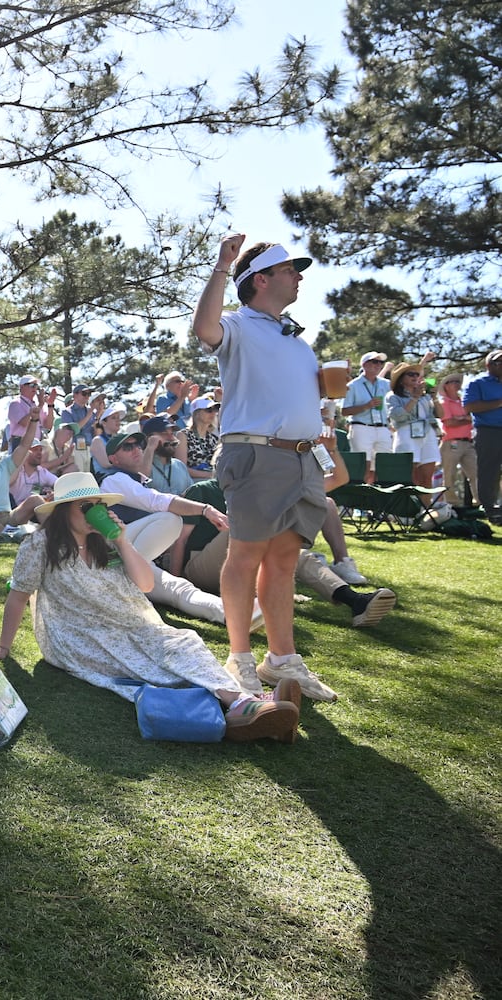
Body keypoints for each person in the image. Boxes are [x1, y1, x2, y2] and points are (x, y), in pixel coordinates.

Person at [0, 480, 301, 742]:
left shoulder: (105, 540)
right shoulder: (39, 546)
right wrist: (5, 648)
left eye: (97, 504)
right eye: (86, 506)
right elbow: (19, 596)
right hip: (78, 635)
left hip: (129, 622)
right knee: (150, 659)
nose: (94, 512)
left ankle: (247, 708)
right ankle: (243, 705)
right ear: (62, 510)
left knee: (183, 642)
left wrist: (123, 542)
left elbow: (145, 583)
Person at [192, 236, 337, 703]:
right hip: (256, 454)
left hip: (301, 457)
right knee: (246, 556)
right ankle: (239, 656)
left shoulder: (292, 335)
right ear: (261, 279)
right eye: (290, 270)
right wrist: (221, 264)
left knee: (283, 562)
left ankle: (281, 658)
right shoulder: (238, 324)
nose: (299, 277)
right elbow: (204, 328)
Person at [172, 474, 398, 631]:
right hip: (198, 566)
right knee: (243, 524)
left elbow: (336, 479)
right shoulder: (202, 490)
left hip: (238, 565)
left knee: (292, 553)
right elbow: (179, 539)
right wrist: (178, 584)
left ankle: (355, 601)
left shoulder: (254, 493)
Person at [385, 359, 441, 499]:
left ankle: (426, 510)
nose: (416, 377)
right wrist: (414, 397)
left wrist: (434, 397)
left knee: (427, 476)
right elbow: (398, 416)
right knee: (410, 476)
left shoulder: (425, 396)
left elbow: (441, 414)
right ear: (401, 380)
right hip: (406, 434)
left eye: (417, 375)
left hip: (427, 434)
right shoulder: (393, 396)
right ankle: (408, 509)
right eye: (411, 374)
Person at [463, 349, 502, 521]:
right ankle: (490, 509)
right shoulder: (477, 383)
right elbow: (470, 407)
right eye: (499, 362)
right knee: (489, 471)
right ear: (489, 365)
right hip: (488, 431)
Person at [342, 351, 392, 484]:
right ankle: (361, 501)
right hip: (361, 427)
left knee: (383, 465)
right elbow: (344, 411)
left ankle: (376, 499)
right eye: (374, 362)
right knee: (364, 465)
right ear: (364, 364)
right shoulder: (352, 386)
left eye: (380, 363)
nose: (378, 365)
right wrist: (366, 406)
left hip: (383, 428)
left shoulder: (386, 384)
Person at [437, 372, 478, 508]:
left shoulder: (464, 400)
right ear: (446, 386)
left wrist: (460, 419)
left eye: (457, 381)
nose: (456, 384)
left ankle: (480, 502)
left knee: (475, 473)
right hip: (451, 442)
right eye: (452, 382)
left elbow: (467, 419)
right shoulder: (444, 402)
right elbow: (449, 423)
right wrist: (465, 419)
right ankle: (452, 504)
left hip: (468, 442)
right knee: (450, 475)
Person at [184, 398, 221, 480]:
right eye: (209, 410)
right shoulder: (183, 435)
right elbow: (181, 468)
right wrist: (210, 475)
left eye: (215, 410)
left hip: (212, 481)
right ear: (196, 413)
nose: (213, 413)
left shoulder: (215, 438)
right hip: (192, 483)